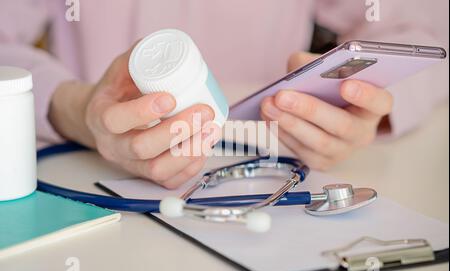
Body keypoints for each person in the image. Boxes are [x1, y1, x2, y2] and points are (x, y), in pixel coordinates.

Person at [0, 0, 448, 189]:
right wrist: (72, 106)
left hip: (268, 169)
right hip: (81, 167)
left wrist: (363, 102)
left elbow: (420, 28)